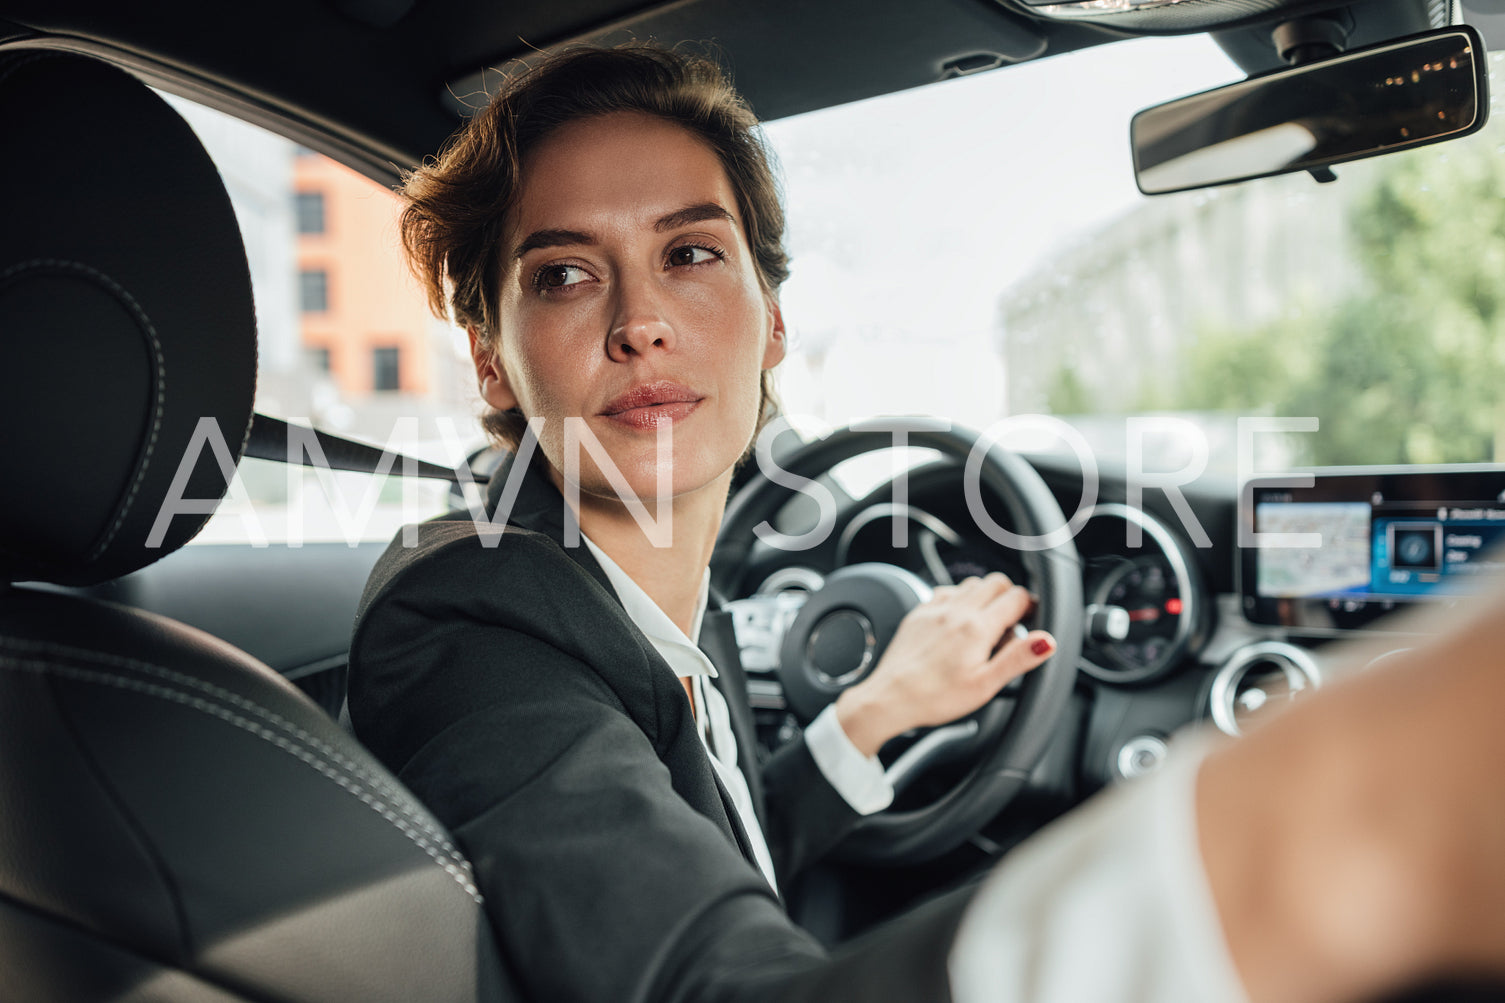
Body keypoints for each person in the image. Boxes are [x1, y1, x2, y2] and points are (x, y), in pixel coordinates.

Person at [346, 44, 1505, 1003]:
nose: (642, 319)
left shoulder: (637, 607)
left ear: (774, 324)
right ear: (492, 363)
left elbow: (693, 848)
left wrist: (866, 716)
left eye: (690, 253)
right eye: (562, 275)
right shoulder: (475, 626)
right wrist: (1333, 822)